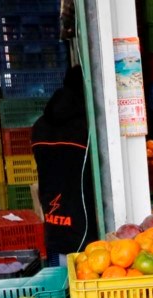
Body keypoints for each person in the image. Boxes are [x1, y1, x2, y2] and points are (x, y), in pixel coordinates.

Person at [32, 64, 97, 260]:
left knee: (59, 256)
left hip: (53, 210)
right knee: (83, 269)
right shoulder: (86, 127)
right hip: (82, 220)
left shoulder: (40, 125)